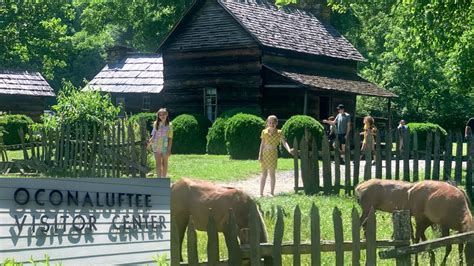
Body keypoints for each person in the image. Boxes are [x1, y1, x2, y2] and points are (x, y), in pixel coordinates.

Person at [258, 115, 293, 197]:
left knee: (272, 174)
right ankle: (261, 193)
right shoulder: (264, 132)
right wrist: (260, 155)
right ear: (267, 123)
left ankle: (271, 193)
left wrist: (289, 149)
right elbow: (262, 144)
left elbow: (284, 142)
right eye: (270, 122)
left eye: (273, 122)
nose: (271, 124)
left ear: (276, 123)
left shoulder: (279, 133)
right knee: (264, 174)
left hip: (273, 154)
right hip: (265, 153)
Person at [147, 108, 173, 178]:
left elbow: (170, 138)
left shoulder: (170, 125)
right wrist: (149, 143)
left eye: (164, 114)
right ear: (158, 116)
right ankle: (159, 179)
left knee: (165, 163)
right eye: (160, 115)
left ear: (167, 114)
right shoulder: (156, 124)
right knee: (158, 164)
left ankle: (163, 178)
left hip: (165, 146)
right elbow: (153, 135)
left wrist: (169, 149)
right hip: (156, 145)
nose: (162, 116)